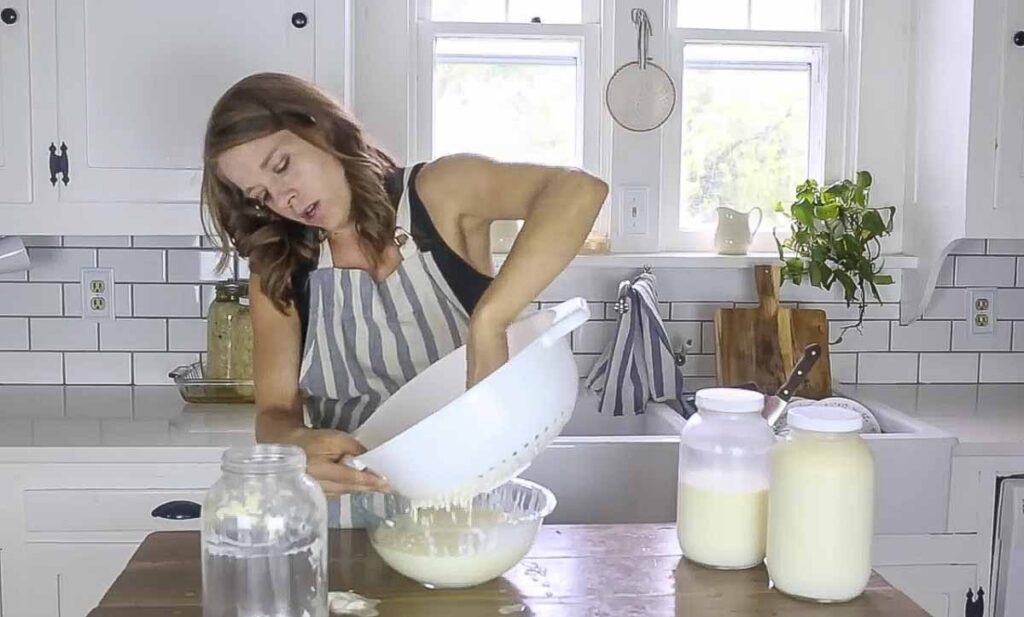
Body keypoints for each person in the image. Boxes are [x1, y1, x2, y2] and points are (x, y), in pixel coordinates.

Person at [201, 72, 607, 496]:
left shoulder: (439, 193)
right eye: (261, 195)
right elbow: (274, 412)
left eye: (282, 166)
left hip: (473, 501)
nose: (283, 198)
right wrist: (294, 443)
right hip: (354, 514)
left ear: (319, 127)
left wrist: (491, 321)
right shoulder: (279, 268)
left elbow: (578, 190)